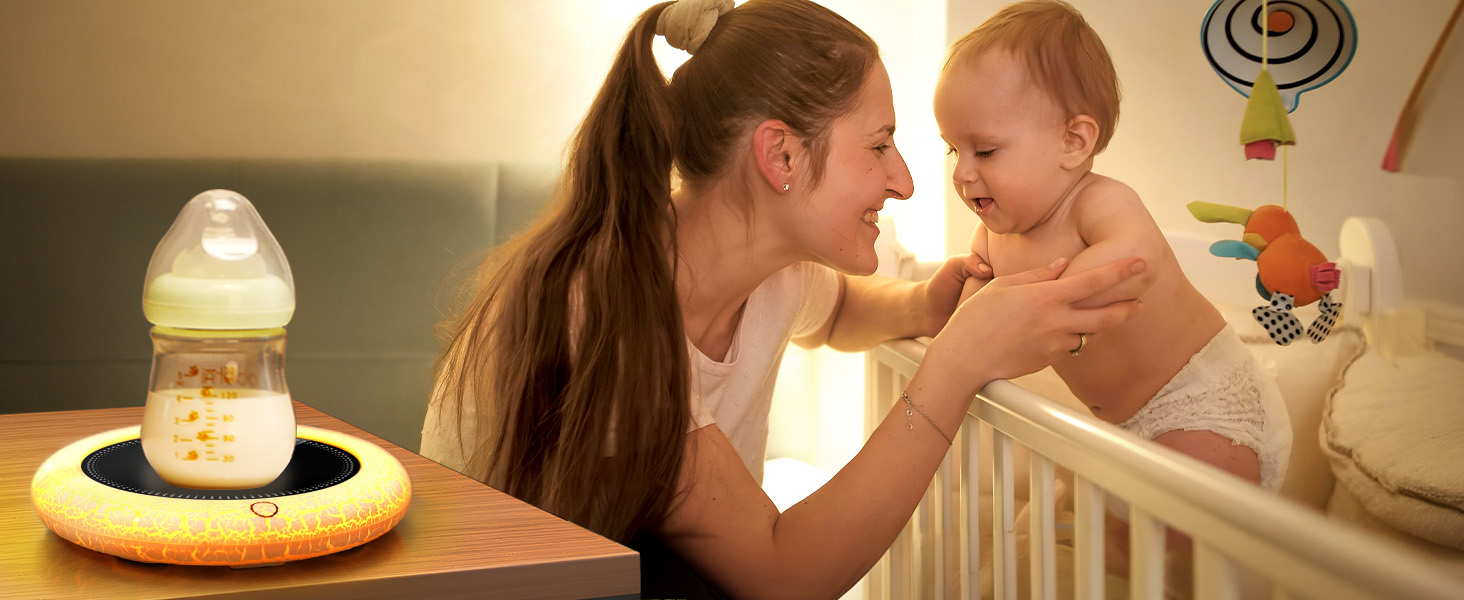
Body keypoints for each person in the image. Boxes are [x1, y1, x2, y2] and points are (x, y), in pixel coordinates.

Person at [421, 0, 1143, 597]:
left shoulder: (769, 271)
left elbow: (837, 313)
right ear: (782, 156)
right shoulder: (609, 315)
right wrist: (955, 363)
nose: (906, 182)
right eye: (880, 145)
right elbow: (781, 574)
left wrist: (926, 306)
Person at [935, 0, 1291, 518]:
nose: (963, 173)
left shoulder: (1096, 202)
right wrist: (965, 305)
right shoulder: (991, 238)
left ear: (1073, 142)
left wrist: (1038, 304)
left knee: (1174, 548)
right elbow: (977, 309)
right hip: (1123, 424)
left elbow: (1134, 258)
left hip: (1205, 406)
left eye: (984, 151)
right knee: (1087, 536)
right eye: (952, 151)